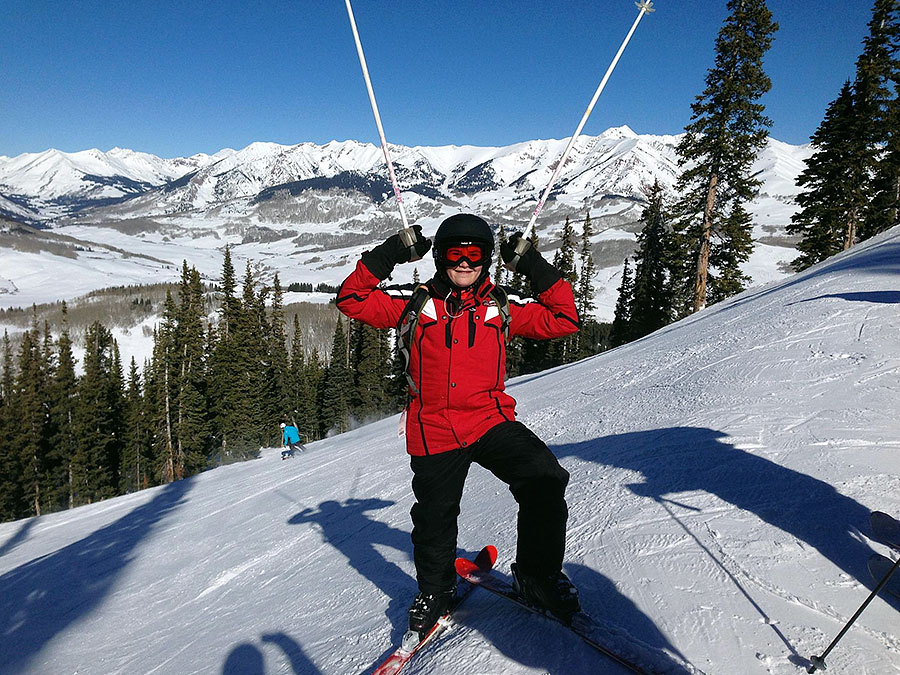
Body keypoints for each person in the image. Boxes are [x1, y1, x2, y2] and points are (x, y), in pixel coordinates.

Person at [336, 214, 581, 641]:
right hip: (435, 427)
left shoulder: (498, 308)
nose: (465, 263)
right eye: (455, 253)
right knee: (434, 517)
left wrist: (531, 265)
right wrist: (394, 251)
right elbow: (352, 298)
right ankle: (437, 590)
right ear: (440, 257)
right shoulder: (416, 306)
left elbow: (564, 318)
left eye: (475, 254)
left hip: (489, 421)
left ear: (487, 259)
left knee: (544, 478)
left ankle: (536, 575)